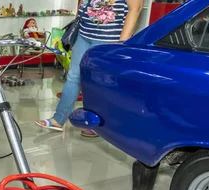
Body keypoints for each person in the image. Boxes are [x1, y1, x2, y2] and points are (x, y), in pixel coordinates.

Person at [36, 0, 143, 137]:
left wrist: (121, 44)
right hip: (84, 35)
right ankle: (58, 119)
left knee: (101, 83)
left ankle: (99, 124)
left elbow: (136, 8)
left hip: (108, 40)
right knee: (73, 77)